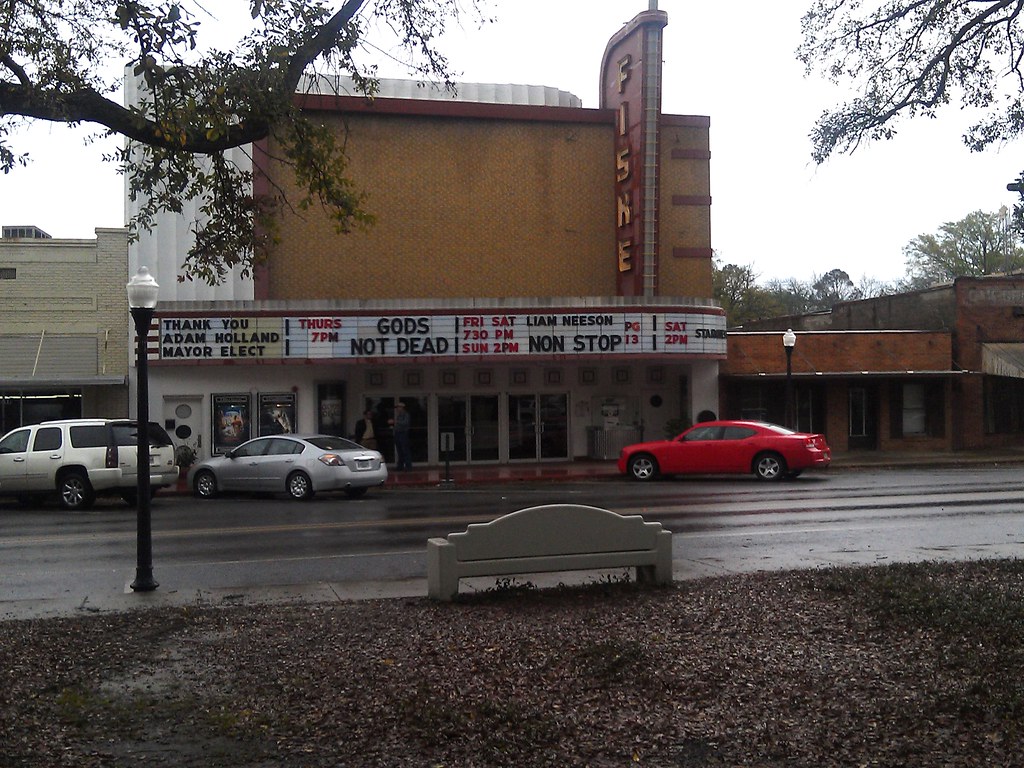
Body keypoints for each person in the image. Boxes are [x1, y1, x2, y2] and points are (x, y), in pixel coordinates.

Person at [389, 401, 412, 470]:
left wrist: (395, 422)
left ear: (402, 408)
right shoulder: (399, 415)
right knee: (400, 451)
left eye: (398, 407)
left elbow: (405, 423)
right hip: (398, 433)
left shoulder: (406, 415)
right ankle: (400, 466)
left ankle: (408, 466)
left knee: (405, 450)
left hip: (403, 434)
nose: (397, 409)